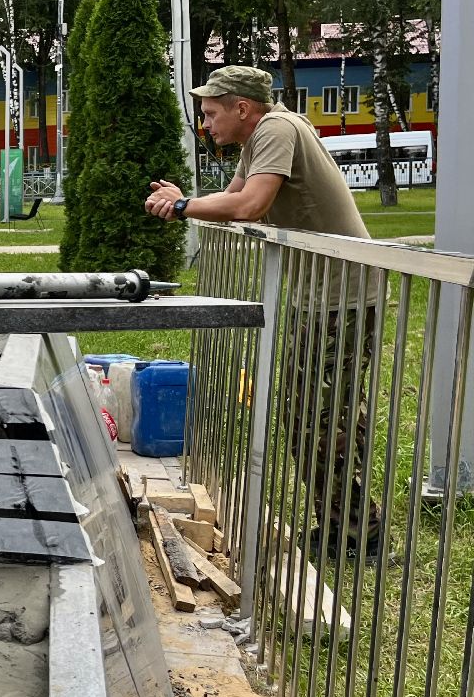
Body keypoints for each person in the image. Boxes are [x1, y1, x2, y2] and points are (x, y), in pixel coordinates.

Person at [144, 64, 381, 559]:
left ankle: (360, 535)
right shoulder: (259, 139)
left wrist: (183, 206)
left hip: (343, 299)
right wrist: (183, 202)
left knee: (324, 422)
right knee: (304, 417)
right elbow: (232, 197)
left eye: (211, 113)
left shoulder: (276, 128)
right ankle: (343, 524)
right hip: (319, 298)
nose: (206, 124)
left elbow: (249, 205)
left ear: (242, 107)